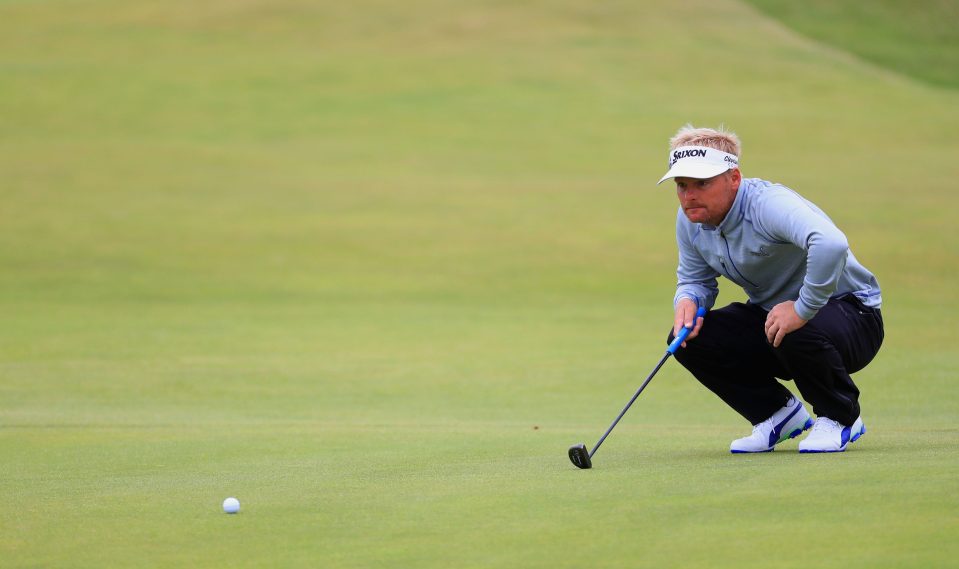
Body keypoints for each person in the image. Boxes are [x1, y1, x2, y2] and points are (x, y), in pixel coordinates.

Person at [658, 125, 883, 453]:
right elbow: (695, 279)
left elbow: (831, 243)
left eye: (702, 184)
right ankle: (777, 415)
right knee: (690, 340)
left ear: (733, 178)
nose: (689, 195)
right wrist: (688, 301)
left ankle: (841, 417)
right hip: (780, 324)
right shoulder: (691, 219)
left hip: (854, 316)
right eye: (682, 186)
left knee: (790, 323)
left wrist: (802, 308)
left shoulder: (767, 204)